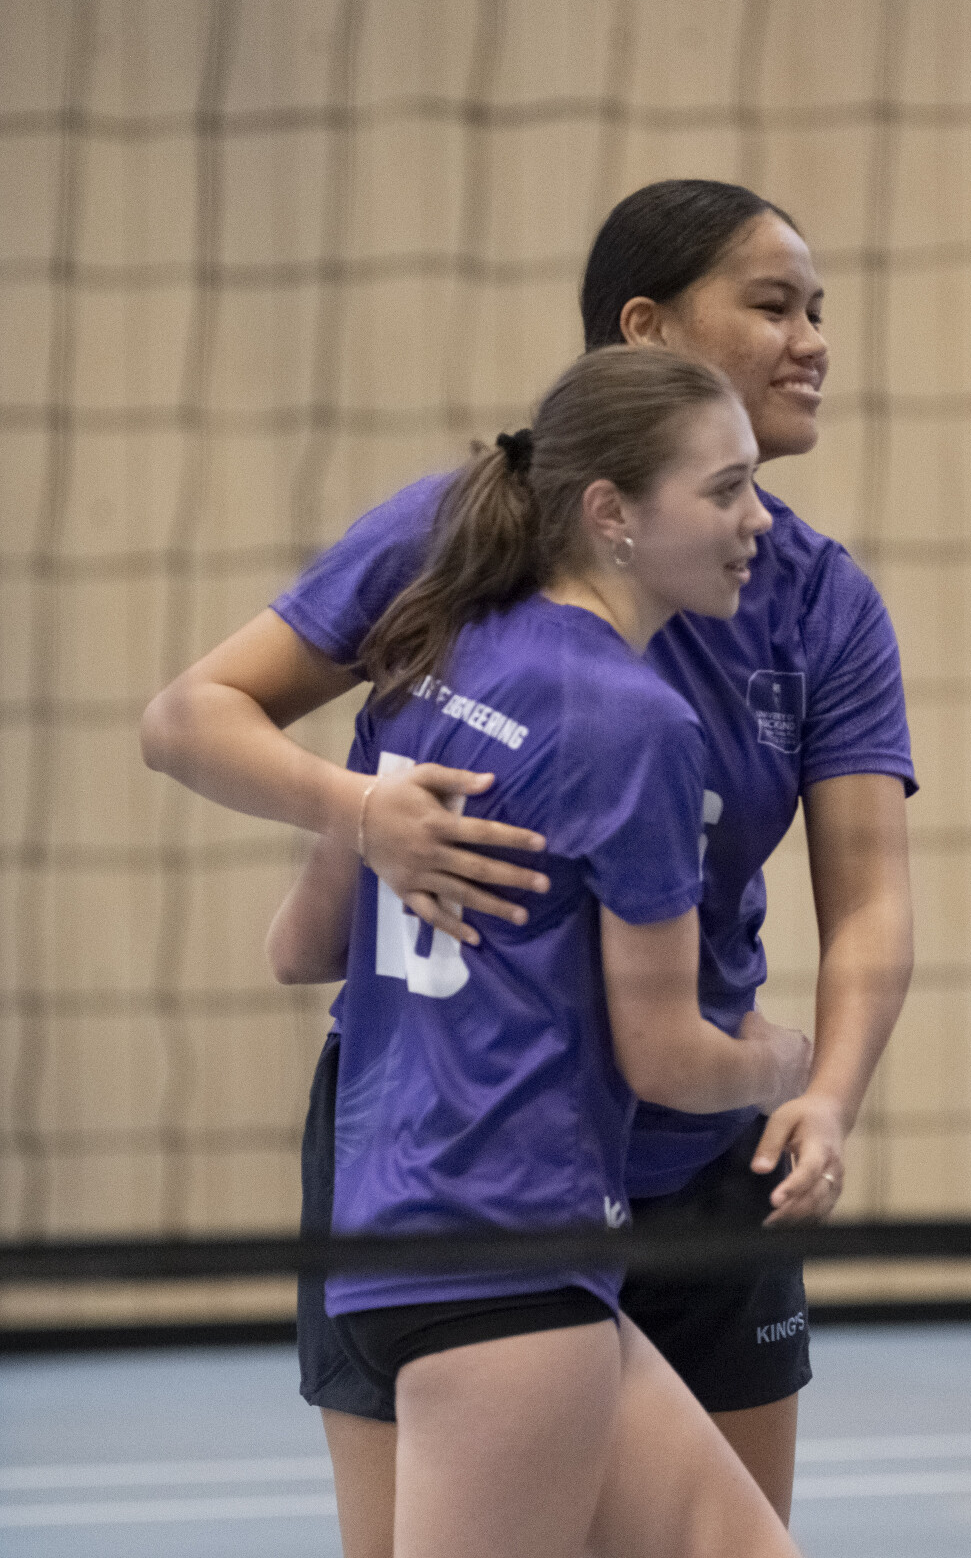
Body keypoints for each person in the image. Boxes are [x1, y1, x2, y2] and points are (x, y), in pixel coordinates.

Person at [141, 178, 917, 1550]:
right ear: (647, 329)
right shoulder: (482, 565)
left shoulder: (812, 601)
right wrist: (365, 811)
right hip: (499, 1187)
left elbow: (298, 945)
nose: (811, 340)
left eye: (817, 309)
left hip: (651, 1173)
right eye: (772, 305)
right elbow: (189, 716)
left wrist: (827, 1097)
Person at [266, 345, 810, 1558]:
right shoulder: (637, 721)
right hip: (506, 1255)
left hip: (389, 1226)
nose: (758, 520)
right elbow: (666, 1058)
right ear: (613, 514)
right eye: (725, 490)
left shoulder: (429, 654)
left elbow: (300, 945)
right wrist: (782, 1063)